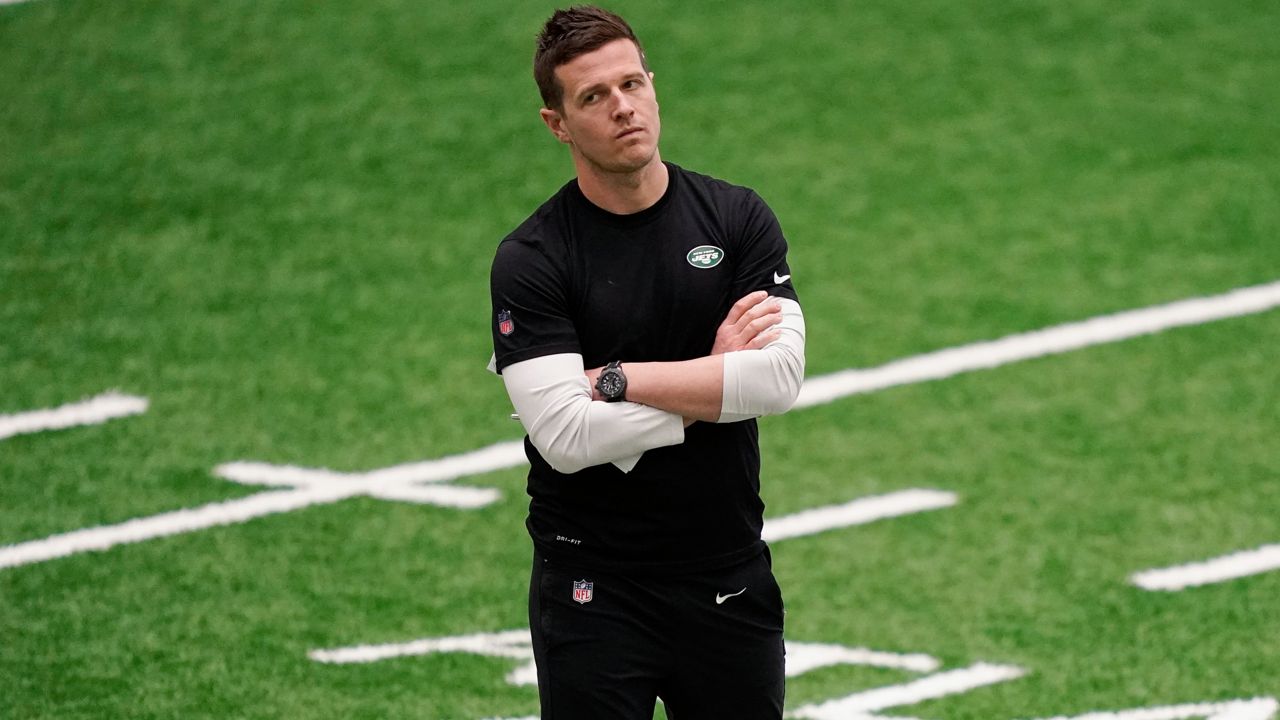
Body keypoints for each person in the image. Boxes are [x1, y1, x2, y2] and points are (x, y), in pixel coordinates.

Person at [488, 6, 806, 718]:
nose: (621, 107)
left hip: (725, 572)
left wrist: (611, 380)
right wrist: (713, 382)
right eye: (593, 96)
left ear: (654, 87)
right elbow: (567, 440)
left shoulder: (736, 218)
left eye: (631, 83)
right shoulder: (533, 259)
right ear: (557, 124)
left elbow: (776, 381)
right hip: (591, 590)